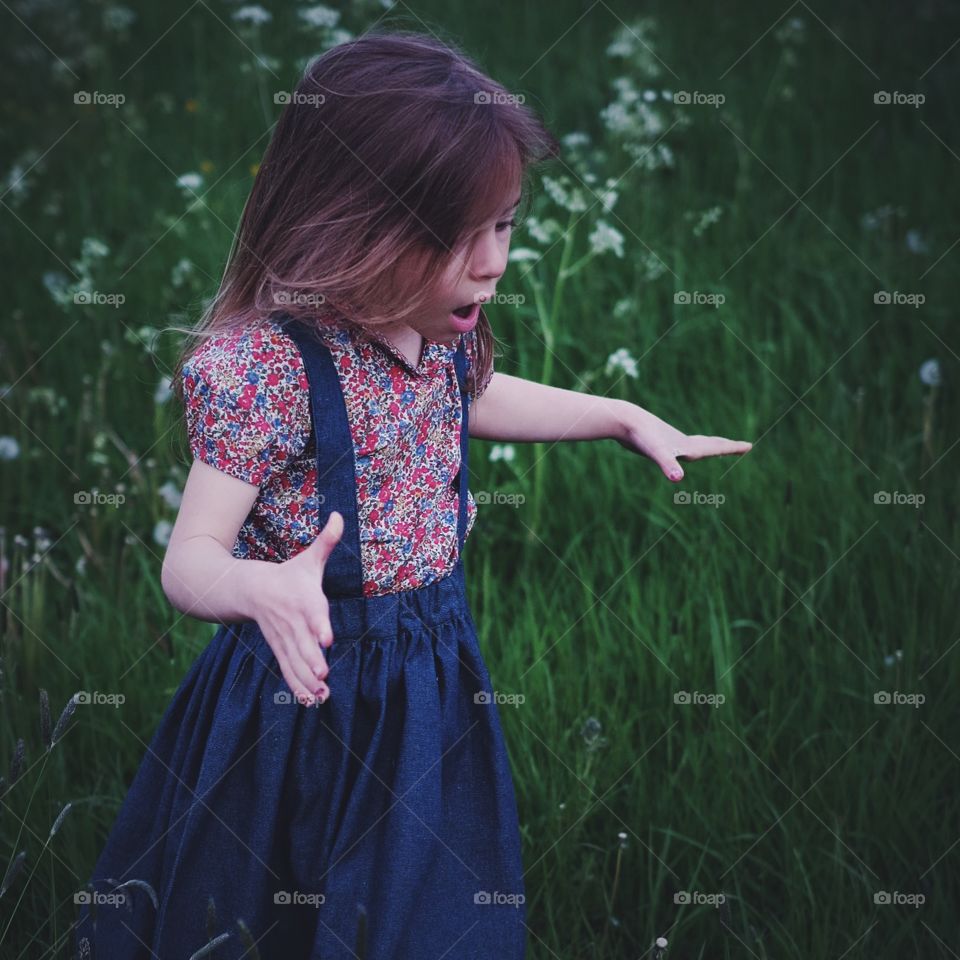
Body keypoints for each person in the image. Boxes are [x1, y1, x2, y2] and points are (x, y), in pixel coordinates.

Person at [75, 29, 752, 960]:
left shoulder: (432, 334)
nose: (492, 263)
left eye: (505, 224)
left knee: (429, 893)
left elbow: (474, 398)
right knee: (275, 896)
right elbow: (187, 562)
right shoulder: (272, 369)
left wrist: (620, 414)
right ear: (345, 227)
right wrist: (258, 587)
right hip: (306, 695)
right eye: (452, 236)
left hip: (428, 677)